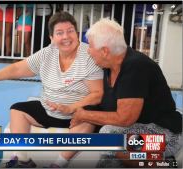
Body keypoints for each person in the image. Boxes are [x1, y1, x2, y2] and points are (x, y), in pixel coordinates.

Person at [0, 11, 104, 168]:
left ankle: (59, 163)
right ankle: (22, 159)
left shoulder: (89, 56)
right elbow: (17, 69)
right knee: (17, 110)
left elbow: (97, 94)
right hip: (49, 110)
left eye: (70, 31)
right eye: (60, 33)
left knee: (90, 115)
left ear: (77, 34)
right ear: (52, 38)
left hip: (76, 115)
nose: (66, 37)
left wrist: (71, 107)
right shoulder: (46, 54)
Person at [53, 18, 182, 167]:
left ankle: (162, 164)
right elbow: (103, 107)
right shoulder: (108, 67)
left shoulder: (136, 67)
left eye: (91, 46)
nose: (88, 51)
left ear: (105, 51)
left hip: (164, 138)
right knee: (107, 162)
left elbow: (124, 119)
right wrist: (80, 112)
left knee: (109, 134)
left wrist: (83, 114)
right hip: (134, 133)